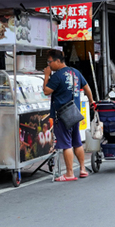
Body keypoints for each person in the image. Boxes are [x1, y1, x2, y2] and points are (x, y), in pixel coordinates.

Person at [44, 50, 94, 181]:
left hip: (62, 114)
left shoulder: (57, 76)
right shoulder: (75, 72)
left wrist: (46, 75)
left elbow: (46, 91)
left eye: (50, 62)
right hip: (75, 112)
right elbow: (87, 87)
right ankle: (82, 169)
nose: (49, 65)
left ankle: (69, 173)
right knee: (77, 141)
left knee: (66, 144)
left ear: (58, 61)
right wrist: (91, 101)